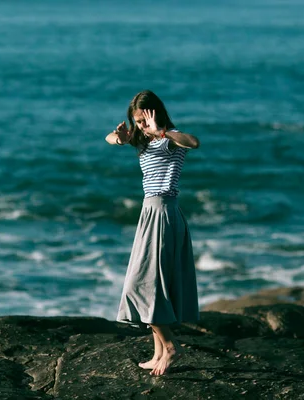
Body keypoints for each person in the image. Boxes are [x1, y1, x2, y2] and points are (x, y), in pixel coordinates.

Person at [106, 90, 200, 376]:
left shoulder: (170, 138)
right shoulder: (143, 139)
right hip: (150, 212)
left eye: (143, 120)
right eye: (136, 121)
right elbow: (110, 139)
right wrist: (121, 136)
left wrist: (162, 131)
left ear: (155, 114)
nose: (141, 126)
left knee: (143, 284)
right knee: (153, 283)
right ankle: (159, 351)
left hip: (164, 212)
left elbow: (193, 143)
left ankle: (170, 347)